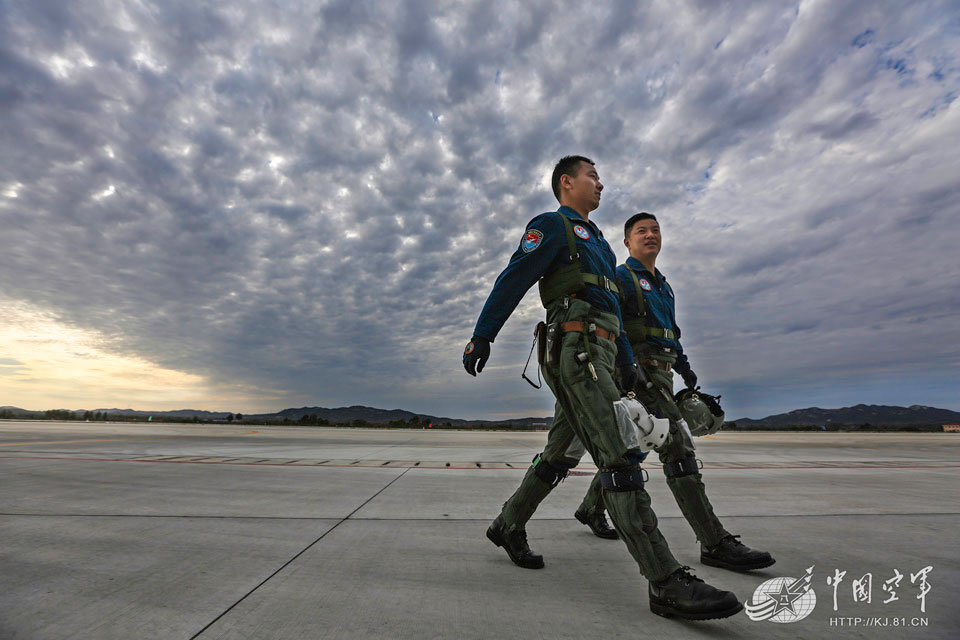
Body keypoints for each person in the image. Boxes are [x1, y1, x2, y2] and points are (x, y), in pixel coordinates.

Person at [463, 156, 742, 620]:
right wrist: (483, 334)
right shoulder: (552, 226)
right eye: (592, 175)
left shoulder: (602, 246)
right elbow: (514, 277)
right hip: (576, 353)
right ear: (566, 182)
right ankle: (664, 579)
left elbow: (612, 309)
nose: (600, 183)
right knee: (621, 456)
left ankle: (509, 523)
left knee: (560, 454)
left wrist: (629, 368)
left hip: (603, 358)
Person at [574, 211, 776, 572]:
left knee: (637, 446)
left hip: (665, 371)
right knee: (678, 448)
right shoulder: (622, 277)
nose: (650, 235)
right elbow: (614, 321)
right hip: (641, 372)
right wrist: (626, 365)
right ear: (627, 242)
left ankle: (591, 507)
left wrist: (684, 368)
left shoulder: (664, 286)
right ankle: (713, 541)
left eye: (655, 230)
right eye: (641, 231)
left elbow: (672, 332)